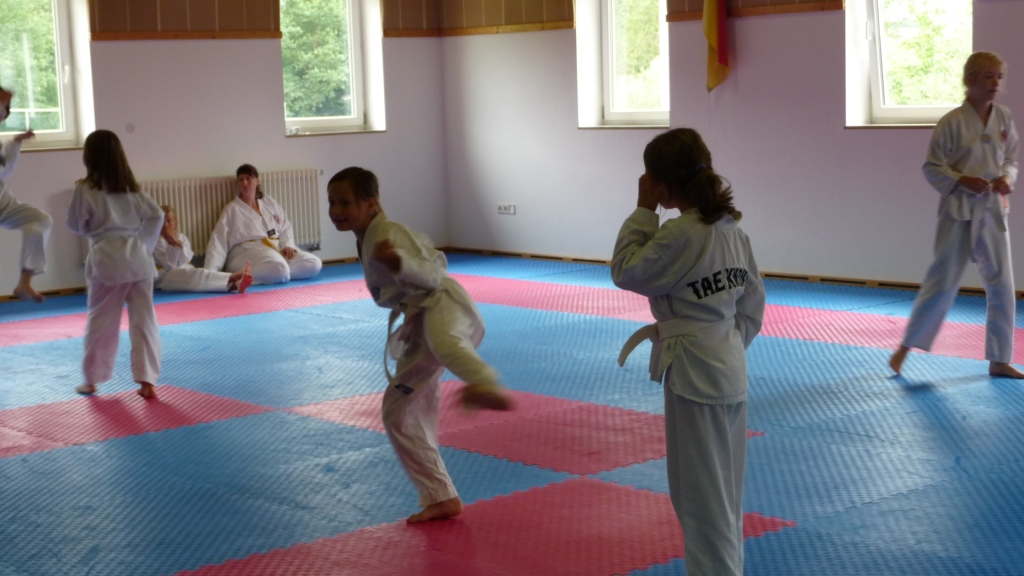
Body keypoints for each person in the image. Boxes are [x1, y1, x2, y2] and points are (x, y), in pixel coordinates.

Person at [613, 128, 765, 576]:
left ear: (659, 185)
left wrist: (643, 210)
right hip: (729, 366)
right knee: (724, 496)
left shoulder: (679, 234)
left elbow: (626, 270)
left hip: (695, 376)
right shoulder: (732, 230)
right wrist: (724, 343)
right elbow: (752, 305)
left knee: (701, 502)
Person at [327, 166, 515, 523]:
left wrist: (398, 262)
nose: (336, 210)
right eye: (332, 202)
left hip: (441, 301)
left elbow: (433, 275)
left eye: (345, 203)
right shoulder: (369, 237)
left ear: (371, 203)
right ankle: (441, 495)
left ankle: (485, 384)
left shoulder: (389, 233)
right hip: (418, 316)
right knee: (398, 411)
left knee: (446, 343)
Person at [889, 52, 1023, 379]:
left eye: (999, 77)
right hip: (959, 210)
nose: (995, 83)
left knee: (1003, 286)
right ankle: (905, 348)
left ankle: (999, 359)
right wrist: (961, 179)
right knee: (943, 280)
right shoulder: (951, 122)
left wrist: (1007, 178)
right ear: (970, 80)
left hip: (992, 208)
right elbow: (932, 167)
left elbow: (1011, 159)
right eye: (988, 77)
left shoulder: (1003, 117)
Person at [67, 130, 164, 400]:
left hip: (107, 259)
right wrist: (143, 244)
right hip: (139, 259)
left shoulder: (85, 189)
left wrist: (94, 229)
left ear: (89, 155)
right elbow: (156, 215)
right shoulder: (131, 187)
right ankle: (148, 381)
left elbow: (75, 224)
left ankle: (92, 380)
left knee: (102, 321)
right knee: (144, 321)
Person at [204, 164, 321, 285]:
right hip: (245, 252)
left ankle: (272, 274)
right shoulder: (232, 209)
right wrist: (210, 273)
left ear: (258, 180)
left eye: (248, 178)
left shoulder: (268, 202)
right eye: (241, 179)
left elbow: (285, 226)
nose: (244, 183)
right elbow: (218, 240)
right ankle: (235, 280)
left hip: (274, 249)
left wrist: (287, 245)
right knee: (280, 267)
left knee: (314, 264)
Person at [0, 86, 53, 302]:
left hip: (2, 201)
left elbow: (6, 169)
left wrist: (17, 141)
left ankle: (25, 280)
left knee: (39, 220)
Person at [154, 204, 252, 293]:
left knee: (201, 275)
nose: (165, 225)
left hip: (185, 269)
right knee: (195, 277)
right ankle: (232, 277)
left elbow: (186, 259)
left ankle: (236, 285)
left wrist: (178, 244)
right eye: (161, 222)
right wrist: (172, 244)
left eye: (168, 221)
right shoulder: (155, 241)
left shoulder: (182, 238)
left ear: (175, 223)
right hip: (164, 276)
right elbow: (170, 265)